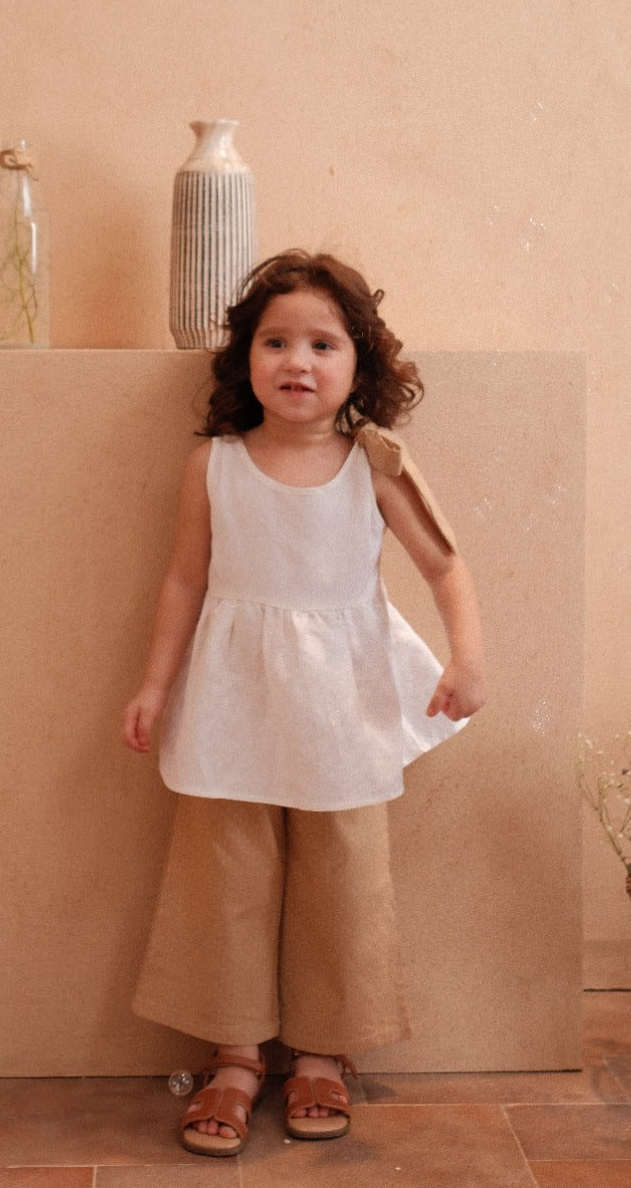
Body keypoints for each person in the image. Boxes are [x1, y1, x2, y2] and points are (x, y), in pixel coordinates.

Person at [121, 250, 486, 1157]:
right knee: (224, 872)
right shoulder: (215, 466)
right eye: (276, 341)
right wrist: (155, 685)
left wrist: (467, 659)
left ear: (360, 362)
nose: (299, 362)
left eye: (324, 344)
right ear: (245, 357)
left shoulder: (377, 464)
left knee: (342, 870)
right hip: (233, 700)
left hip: (343, 704)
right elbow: (182, 582)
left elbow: (445, 564)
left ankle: (324, 1052)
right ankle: (235, 1058)